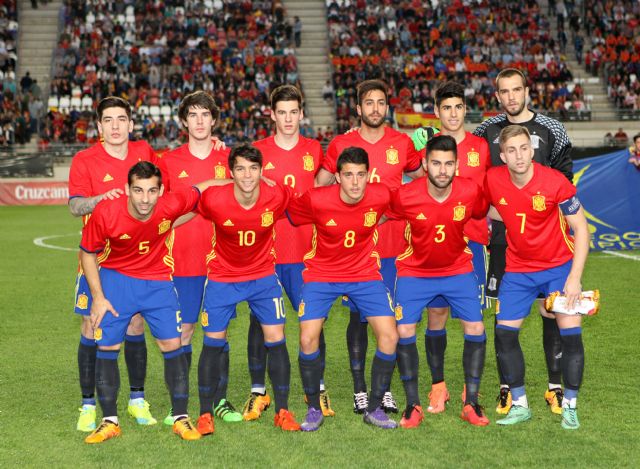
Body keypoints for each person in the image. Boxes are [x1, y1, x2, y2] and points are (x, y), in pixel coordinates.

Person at [316, 79, 423, 414]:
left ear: (386, 107)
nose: (375, 109)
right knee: (359, 318)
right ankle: (360, 388)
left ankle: (384, 389)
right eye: (369, 103)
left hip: (394, 245)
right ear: (359, 108)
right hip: (354, 249)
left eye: (381, 103)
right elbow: (319, 187)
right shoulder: (340, 144)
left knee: (387, 318)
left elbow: (423, 178)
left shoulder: (402, 143)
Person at [79, 161, 205, 443]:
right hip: (116, 280)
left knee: (173, 344)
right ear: (127, 190)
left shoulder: (171, 203)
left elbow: (202, 189)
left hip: (157, 281)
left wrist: (239, 180)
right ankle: (109, 420)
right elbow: (87, 253)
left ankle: (181, 417)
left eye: (151, 191)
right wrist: (98, 297)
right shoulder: (106, 212)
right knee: (108, 345)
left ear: (161, 190)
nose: (145, 199)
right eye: (138, 190)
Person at [473, 68, 573, 415]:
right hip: (504, 242)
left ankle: (555, 387)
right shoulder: (484, 132)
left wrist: (534, 214)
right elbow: (478, 186)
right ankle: (507, 389)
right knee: (504, 318)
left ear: (527, 91)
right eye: (505, 91)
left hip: (547, 246)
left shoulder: (553, 129)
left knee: (553, 313)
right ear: (497, 96)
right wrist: (509, 215)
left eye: (517, 89)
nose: (511, 96)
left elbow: (564, 180)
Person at [288, 146, 399, 430]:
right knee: (307, 339)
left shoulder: (381, 194)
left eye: (360, 175)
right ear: (337, 177)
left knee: (389, 336)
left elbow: (394, 209)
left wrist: (375, 219)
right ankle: (314, 408)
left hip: (364, 272)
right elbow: (290, 214)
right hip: (322, 274)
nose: (354, 182)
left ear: (368, 176)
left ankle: (374, 409)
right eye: (348, 175)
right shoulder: (316, 199)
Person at [485, 125, 589, 430]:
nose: (519, 156)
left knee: (571, 336)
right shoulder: (493, 179)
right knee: (504, 334)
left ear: (531, 149)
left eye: (523, 148)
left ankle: (569, 405)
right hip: (518, 270)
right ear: (502, 156)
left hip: (558, 268)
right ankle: (520, 403)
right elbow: (487, 207)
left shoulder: (554, 181)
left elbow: (581, 229)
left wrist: (574, 277)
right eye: (511, 150)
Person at [196, 144, 301, 434]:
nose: (247, 175)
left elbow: (302, 203)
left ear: (261, 171)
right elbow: (188, 197)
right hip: (223, 277)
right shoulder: (215, 198)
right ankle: (205, 414)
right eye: (240, 168)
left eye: (253, 168)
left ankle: (282, 410)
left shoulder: (276, 195)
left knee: (276, 339)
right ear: (231, 172)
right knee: (213, 342)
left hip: (263, 277)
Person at [69, 97, 157, 432]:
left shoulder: (144, 152)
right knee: (92, 325)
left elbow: (170, 179)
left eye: (122, 119)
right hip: (98, 258)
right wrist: (99, 199)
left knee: (135, 325)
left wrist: (216, 145)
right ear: (99, 126)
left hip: (137, 258)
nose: (116, 126)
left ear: (131, 124)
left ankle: (137, 400)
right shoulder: (85, 159)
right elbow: (76, 206)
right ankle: (88, 405)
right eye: (108, 120)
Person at [390, 135, 489, 429]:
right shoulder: (406, 194)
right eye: (436, 163)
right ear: (424, 164)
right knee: (404, 329)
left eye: (448, 164)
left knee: (476, 327)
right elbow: (377, 214)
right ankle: (412, 405)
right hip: (414, 272)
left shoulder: (470, 190)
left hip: (457, 269)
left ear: (457, 165)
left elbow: (486, 211)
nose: (442, 170)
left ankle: (471, 403)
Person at [244, 85, 327, 420]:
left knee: (313, 323)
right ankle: (258, 392)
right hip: (266, 253)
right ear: (272, 114)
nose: (289, 118)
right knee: (257, 322)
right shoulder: (257, 152)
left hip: (306, 253)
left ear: (302, 113)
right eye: (282, 112)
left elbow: (323, 191)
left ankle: (317, 390)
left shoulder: (314, 149)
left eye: (294, 112)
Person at [412, 81, 491, 414]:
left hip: (471, 242)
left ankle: (469, 393)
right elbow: (413, 183)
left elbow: (490, 192)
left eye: (458, 107)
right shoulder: (426, 147)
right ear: (436, 111)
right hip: (434, 242)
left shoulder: (481, 147)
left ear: (465, 109)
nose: (453, 113)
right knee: (437, 316)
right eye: (446, 108)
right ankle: (438, 387)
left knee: (472, 320)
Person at [156, 91, 233, 425]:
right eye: (193, 115)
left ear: (214, 120)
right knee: (185, 330)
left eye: (206, 115)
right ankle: (180, 402)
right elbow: (160, 210)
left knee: (219, 331)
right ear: (184, 121)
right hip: (183, 259)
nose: (200, 121)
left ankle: (219, 399)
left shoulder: (228, 157)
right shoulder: (168, 162)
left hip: (223, 258)